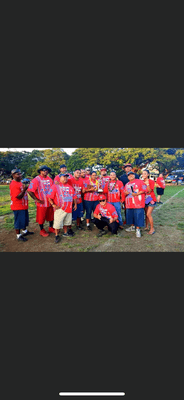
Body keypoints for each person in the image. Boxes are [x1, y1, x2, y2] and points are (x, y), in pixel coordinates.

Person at [47, 173, 77, 243]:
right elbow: (49, 196)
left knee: (67, 222)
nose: (65, 178)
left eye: (66, 177)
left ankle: (65, 233)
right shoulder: (55, 186)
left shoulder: (70, 187)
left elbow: (74, 196)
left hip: (69, 208)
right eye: (64, 177)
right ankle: (57, 235)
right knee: (57, 223)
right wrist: (53, 205)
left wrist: (75, 204)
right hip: (60, 209)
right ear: (59, 178)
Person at [27, 165, 55, 237]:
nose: (45, 171)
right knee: (41, 217)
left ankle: (51, 228)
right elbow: (30, 190)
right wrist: (36, 199)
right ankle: (42, 230)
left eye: (47, 170)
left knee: (51, 216)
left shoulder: (50, 179)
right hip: (41, 204)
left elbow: (53, 189)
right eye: (43, 170)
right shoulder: (36, 179)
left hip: (50, 202)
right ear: (40, 171)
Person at [10, 169, 34, 242]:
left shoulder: (20, 182)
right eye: (17, 174)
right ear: (13, 175)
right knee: (18, 221)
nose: (20, 175)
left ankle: (25, 231)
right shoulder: (13, 184)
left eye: (20, 174)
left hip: (23, 205)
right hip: (18, 206)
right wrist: (24, 190)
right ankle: (18, 235)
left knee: (24, 220)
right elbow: (18, 197)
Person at [124, 171, 147, 238]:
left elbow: (144, 190)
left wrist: (137, 194)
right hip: (129, 203)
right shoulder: (127, 184)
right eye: (129, 175)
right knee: (131, 216)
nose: (130, 176)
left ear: (134, 175)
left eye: (132, 175)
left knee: (138, 216)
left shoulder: (140, 181)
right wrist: (125, 193)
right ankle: (132, 227)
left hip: (138, 203)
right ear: (127, 177)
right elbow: (125, 192)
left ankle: (138, 229)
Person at [142, 169, 157, 235]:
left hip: (151, 199)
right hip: (145, 199)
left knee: (148, 214)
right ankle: (147, 226)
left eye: (145, 173)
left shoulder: (151, 181)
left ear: (148, 174)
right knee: (146, 214)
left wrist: (147, 184)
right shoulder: (141, 182)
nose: (143, 175)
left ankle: (152, 228)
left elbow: (149, 190)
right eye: (142, 173)